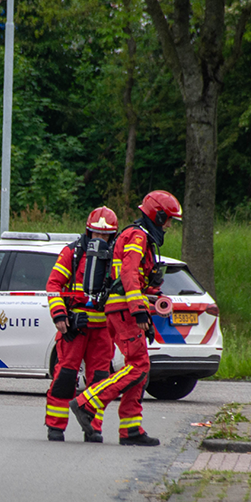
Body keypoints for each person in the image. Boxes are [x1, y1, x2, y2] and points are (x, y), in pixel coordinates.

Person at [69, 190, 181, 447]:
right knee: (139, 365)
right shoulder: (137, 236)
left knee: (138, 368)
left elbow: (139, 280)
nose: (168, 226)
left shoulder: (142, 238)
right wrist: (138, 308)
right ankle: (86, 404)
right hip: (124, 309)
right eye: (168, 220)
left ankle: (130, 429)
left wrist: (151, 301)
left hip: (123, 308)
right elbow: (129, 273)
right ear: (158, 214)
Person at [44, 207, 119, 442]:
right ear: (88, 231)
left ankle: (92, 427)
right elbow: (54, 285)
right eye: (96, 234)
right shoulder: (73, 253)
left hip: (103, 331)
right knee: (65, 377)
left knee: (99, 381)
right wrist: (60, 316)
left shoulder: (117, 256)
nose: (101, 240)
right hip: (75, 328)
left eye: (106, 236)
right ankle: (55, 426)